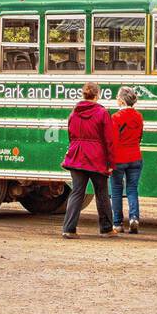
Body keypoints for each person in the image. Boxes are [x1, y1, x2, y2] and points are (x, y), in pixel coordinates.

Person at [60, 81, 117, 239]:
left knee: (77, 192)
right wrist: (111, 163)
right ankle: (106, 229)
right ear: (97, 95)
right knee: (102, 193)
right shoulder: (102, 113)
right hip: (96, 158)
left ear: (83, 95)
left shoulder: (74, 112)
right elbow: (109, 140)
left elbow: (71, 135)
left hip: (77, 156)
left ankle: (69, 229)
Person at [110, 86, 144, 234]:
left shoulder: (116, 118)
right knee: (132, 189)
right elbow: (140, 136)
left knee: (116, 190)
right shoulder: (139, 116)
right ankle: (134, 218)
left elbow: (112, 140)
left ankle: (117, 223)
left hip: (119, 158)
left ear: (122, 100)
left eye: (118, 97)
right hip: (136, 157)